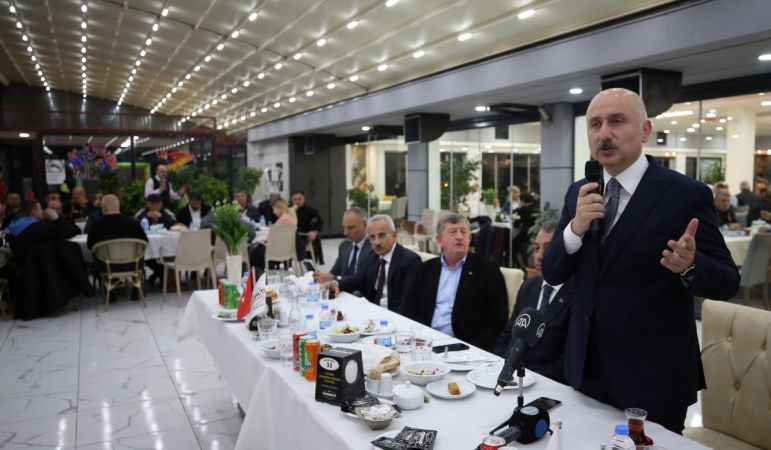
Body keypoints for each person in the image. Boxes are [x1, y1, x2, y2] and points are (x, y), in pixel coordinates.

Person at [542, 88, 739, 433]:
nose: (604, 133)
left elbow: (727, 281)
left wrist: (690, 265)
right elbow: (553, 271)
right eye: (595, 124)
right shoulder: (580, 192)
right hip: (584, 369)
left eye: (617, 121)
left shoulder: (684, 194)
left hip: (653, 378)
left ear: (646, 130)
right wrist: (575, 228)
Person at [399, 213, 508, 352]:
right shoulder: (424, 270)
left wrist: (472, 350)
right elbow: (407, 309)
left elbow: (498, 321)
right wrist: (417, 338)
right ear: (439, 240)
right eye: (453, 232)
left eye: (463, 232)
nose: (459, 236)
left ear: (469, 238)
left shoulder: (488, 271)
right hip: (425, 343)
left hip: (465, 348)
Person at [494, 221, 573, 383]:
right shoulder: (528, 286)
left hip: (546, 383)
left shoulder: (576, 295)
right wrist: (496, 363)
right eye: (536, 248)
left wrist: (526, 376)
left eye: (548, 248)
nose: (539, 256)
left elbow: (568, 361)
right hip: (509, 377)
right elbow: (508, 333)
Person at [8, 200, 91, 320]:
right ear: (33, 211)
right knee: (69, 253)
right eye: (40, 209)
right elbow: (71, 231)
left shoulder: (15, 227)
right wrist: (56, 218)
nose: (42, 211)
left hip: (25, 272)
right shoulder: (38, 227)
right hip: (46, 270)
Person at [332, 215, 420, 311]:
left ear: (394, 236)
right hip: (373, 312)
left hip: (395, 315)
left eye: (381, 236)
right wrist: (336, 284)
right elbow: (358, 279)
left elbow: (409, 303)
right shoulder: (372, 257)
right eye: (372, 237)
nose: (376, 242)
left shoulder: (410, 261)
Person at [87, 195, 148, 301]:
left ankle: (108, 291)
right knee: (139, 254)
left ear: (103, 208)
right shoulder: (133, 222)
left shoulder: (96, 225)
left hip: (107, 266)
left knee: (96, 255)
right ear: (118, 206)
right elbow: (145, 242)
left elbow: (90, 246)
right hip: (132, 265)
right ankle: (136, 290)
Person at [314, 207, 374, 285]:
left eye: (350, 228)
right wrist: (324, 276)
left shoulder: (374, 247)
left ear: (365, 224)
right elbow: (334, 272)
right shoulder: (344, 246)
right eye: (344, 227)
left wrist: (335, 279)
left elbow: (362, 279)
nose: (345, 233)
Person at [292, 190, 324, 264]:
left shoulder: (310, 210)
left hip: (304, 237)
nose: (297, 201)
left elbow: (319, 221)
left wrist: (314, 232)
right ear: (292, 201)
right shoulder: (289, 211)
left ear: (304, 199)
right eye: (295, 199)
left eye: (299, 199)